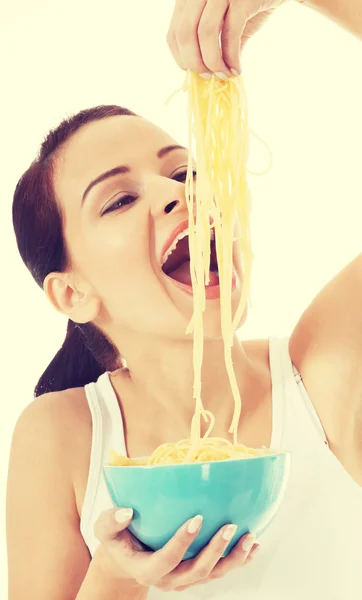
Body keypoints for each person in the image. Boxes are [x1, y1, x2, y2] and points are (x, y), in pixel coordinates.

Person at [6, 1, 362, 599]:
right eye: (119, 200)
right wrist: (118, 571)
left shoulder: (320, 376)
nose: (177, 194)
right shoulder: (62, 435)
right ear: (72, 292)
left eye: (186, 173)